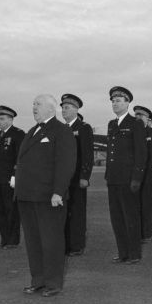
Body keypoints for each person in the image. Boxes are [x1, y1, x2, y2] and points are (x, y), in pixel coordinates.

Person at [15, 94, 76, 297]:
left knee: (51, 241)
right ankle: (38, 280)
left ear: (51, 109)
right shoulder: (32, 131)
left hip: (49, 196)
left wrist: (59, 191)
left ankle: (53, 283)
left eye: (38, 104)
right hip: (27, 196)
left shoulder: (61, 131)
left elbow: (66, 164)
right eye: (33, 104)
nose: (34, 107)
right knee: (33, 241)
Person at [105, 87, 147, 264]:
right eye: (113, 101)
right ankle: (123, 252)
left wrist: (137, 178)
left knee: (131, 217)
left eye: (119, 101)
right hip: (113, 178)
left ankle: (134, 253)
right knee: (117, 218)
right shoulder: (112, 124)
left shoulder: (135, 123)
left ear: (127, 103)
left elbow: (141, 152)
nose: (115, 103)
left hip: (128, 178)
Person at [0, 105, 26, 250]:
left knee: (12, 210)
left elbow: (20, 157)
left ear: (10, 119)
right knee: (0, 210)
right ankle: (4, 239)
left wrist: (16, 175)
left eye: (2, 119)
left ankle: (13, 240)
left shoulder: (18, 134)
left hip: (9, 179)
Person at [60, 93, 94, 257]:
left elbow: (87, 154)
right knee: (64, 212)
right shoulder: (61, 129)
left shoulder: (83, 128)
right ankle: (65, 244)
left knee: (77, 212)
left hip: (77, 178)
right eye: (62, 108)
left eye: (67, 108)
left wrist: (85, 176)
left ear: (75, 109)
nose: (63, 111)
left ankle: (77, 245)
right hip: (63, 180)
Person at [133, 105, 152, 243]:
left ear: (148, 119)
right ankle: (138, 230)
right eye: (136, 115)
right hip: (135, 175)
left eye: (140, 116)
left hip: (149, 174)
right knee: (135, 203)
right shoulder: (133, 132)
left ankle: (147, 231)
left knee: (147, 203)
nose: (137, 118)